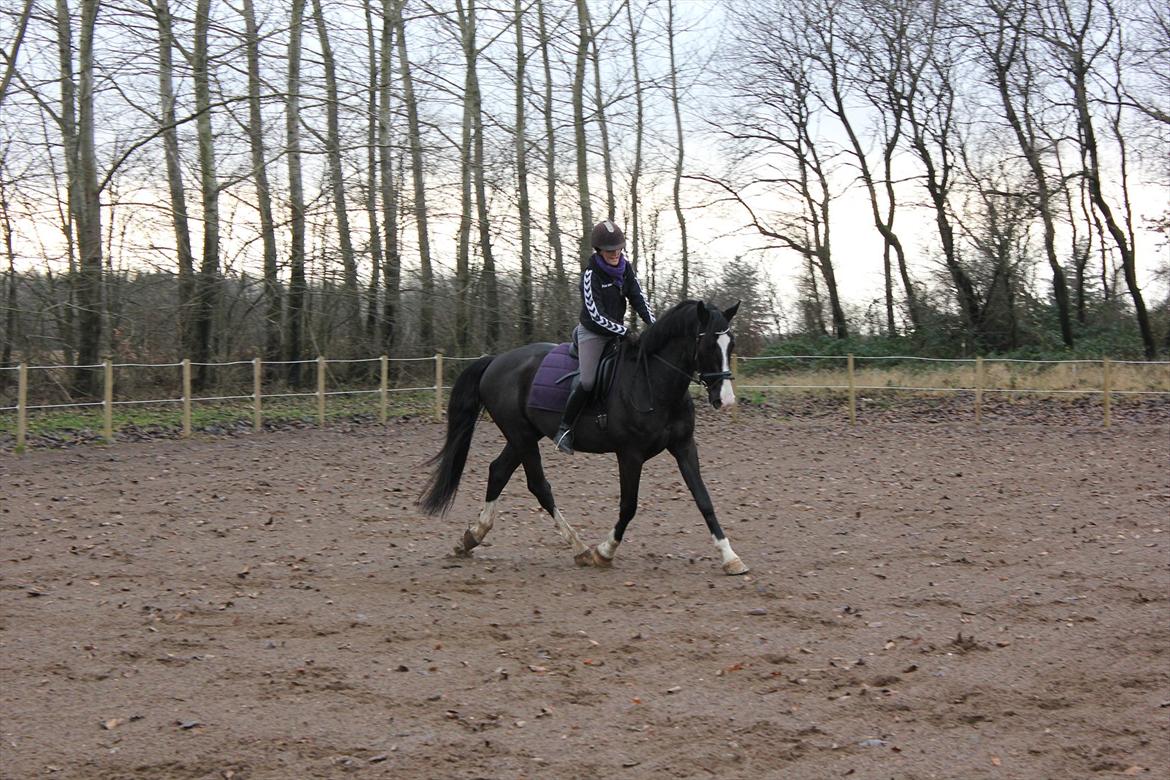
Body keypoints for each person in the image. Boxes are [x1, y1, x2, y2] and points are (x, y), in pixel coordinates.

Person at [554, 220, 655, 454]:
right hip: (594, 334)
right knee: (588, 381)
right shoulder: (591, 276)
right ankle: (565, 429)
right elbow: (597, 315)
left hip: (617, 332)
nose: (615, 254)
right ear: (599, 250)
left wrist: (656, 326)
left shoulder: (626, 269)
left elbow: (639, 299)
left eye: (618, 249)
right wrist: (626, 332)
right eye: (610, 250)